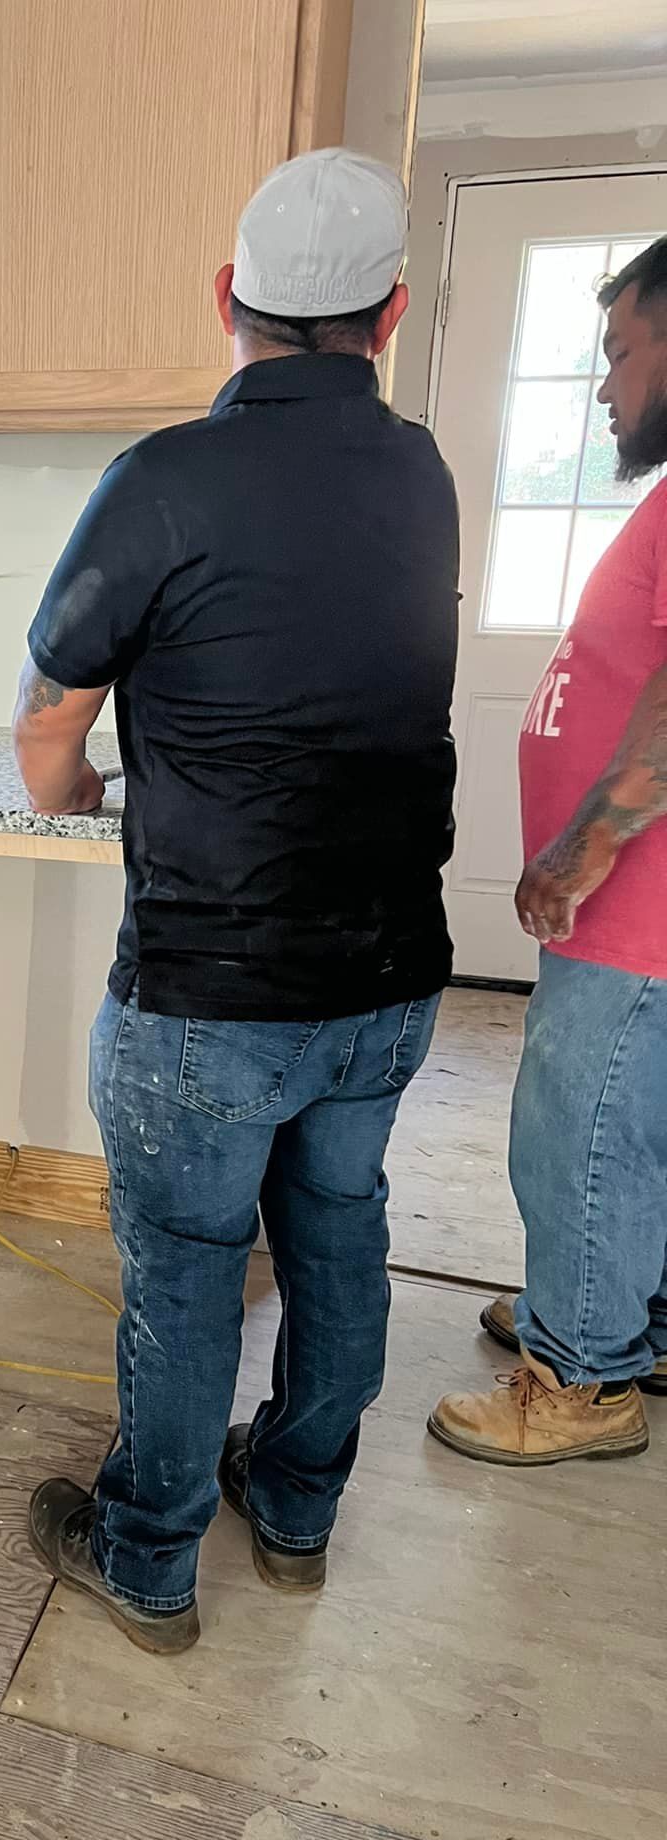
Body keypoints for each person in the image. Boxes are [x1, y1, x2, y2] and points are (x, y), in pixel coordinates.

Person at [11, 149, 460, 1656]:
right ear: (388, 316)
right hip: (391, 977)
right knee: (339, 1236)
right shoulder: (424, 476)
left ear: (229, 302)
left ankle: (147, 1556)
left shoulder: (165, 479)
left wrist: (70, 794)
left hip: (211, 991)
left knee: (190, 1269)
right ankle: (296, 1508)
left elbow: (46, 718)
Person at [430, 235, 667, 1466]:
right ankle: (627, 1316)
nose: (606, 384)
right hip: (645, 912)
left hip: (642, 908)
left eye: (623, 350)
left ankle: (580, 1377)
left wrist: (580, 852)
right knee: (639, 1127)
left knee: (582, 1124)